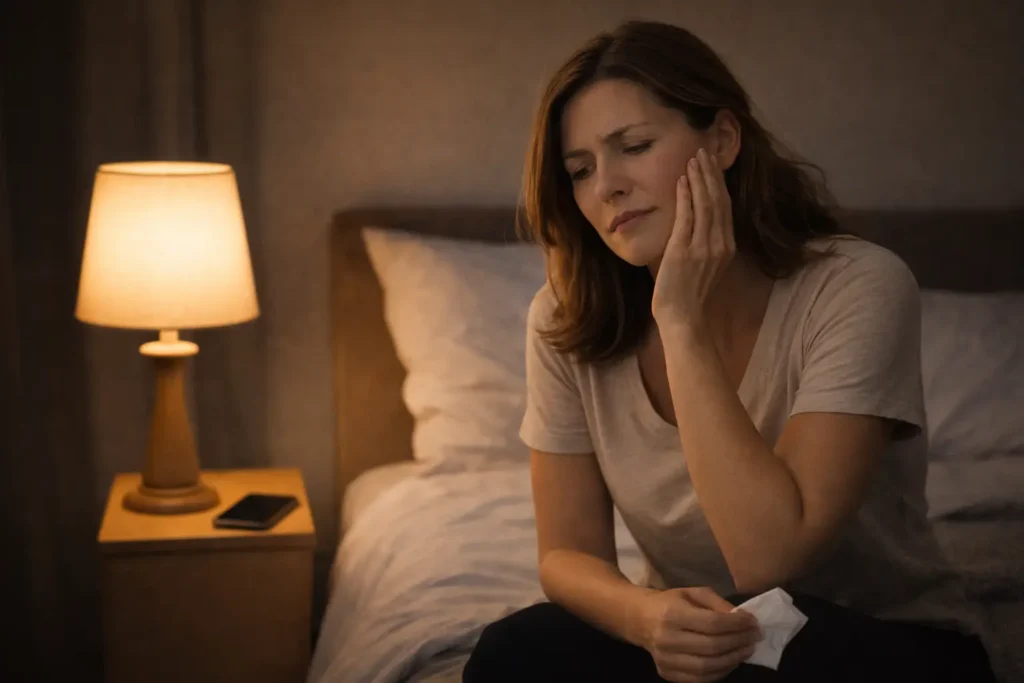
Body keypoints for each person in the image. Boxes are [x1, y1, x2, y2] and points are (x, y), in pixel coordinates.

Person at [462, 19, 996, 683]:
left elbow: (768, 559)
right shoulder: (564, 319)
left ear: (720, 141)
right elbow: (567, 553)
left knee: (777, 635)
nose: (606, 187)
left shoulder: (858, 286)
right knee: (514, 649)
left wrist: (680, 321)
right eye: (580, 171)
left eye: (634, 146)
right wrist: (645, 618)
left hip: (866, 640)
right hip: (703, 641)